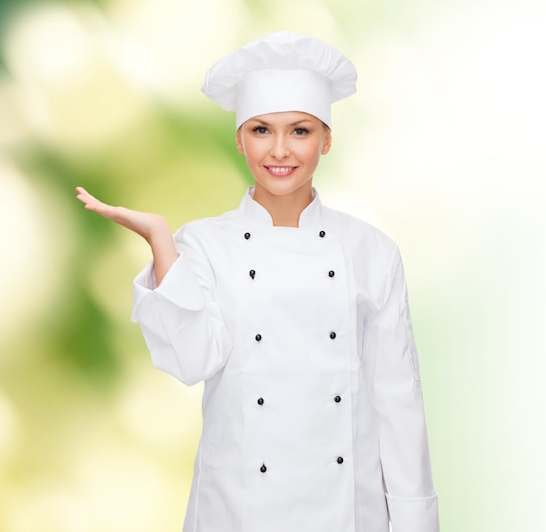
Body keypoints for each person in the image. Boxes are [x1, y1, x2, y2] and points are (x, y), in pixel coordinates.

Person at [76, 31, 439, 532]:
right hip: (239, 509)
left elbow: (397, 400)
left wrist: (415, 520)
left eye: (301, 131)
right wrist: (161, 240)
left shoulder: (371, 251)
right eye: (262, 130)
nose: (280, 150)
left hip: (347, 511)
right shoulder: (203, 245)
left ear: (327, 139)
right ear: (240, 139)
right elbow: (191, 360)